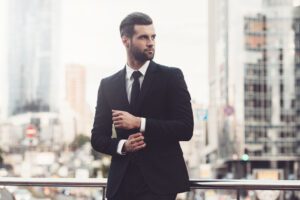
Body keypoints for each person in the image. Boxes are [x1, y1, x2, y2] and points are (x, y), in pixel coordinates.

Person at [91, 12, 194, 200]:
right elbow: (97, 138)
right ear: (125, 40)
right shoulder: (108, 85)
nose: (151, 42)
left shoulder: (171, 77)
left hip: (160, 185)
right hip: (120, 184)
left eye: (153, 37)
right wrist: (123, 146)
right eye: (143, 37)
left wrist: (139, 123)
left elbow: (186, 129)